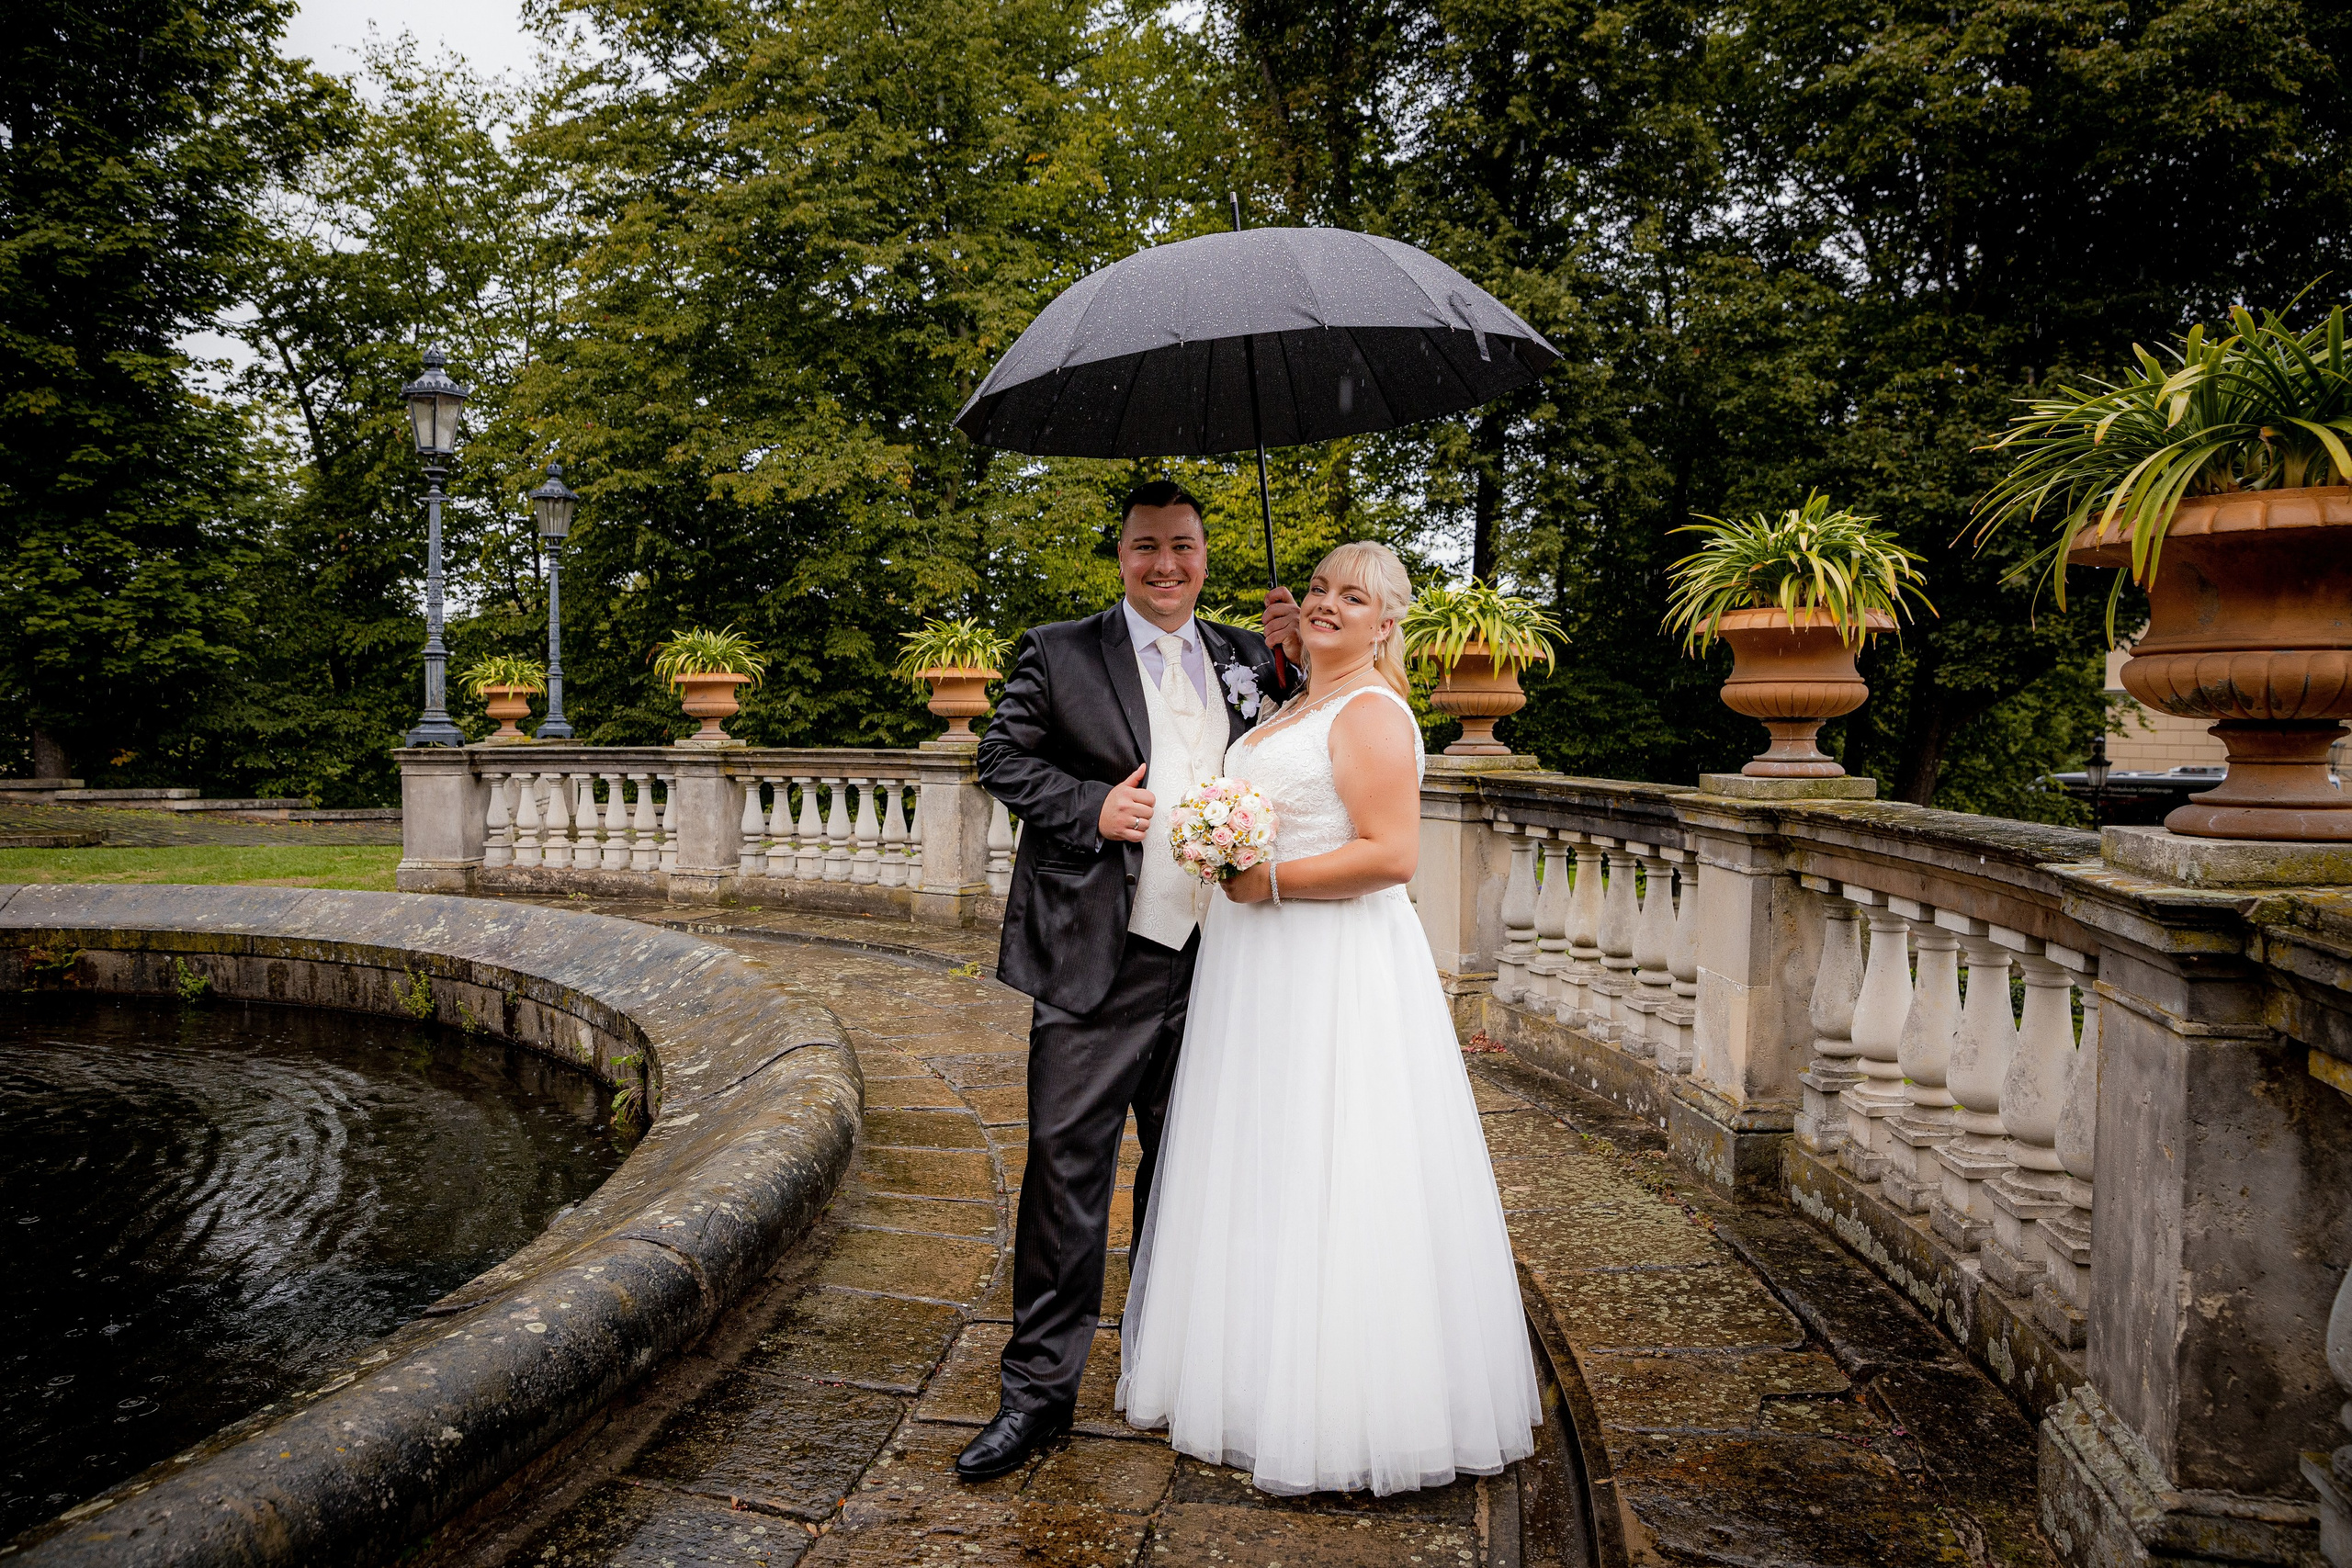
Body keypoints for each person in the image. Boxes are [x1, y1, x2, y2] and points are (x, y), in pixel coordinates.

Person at [1116, 540, 1543, 1495]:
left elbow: (1392, 856)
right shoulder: (1296, 704)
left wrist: (1262, 878)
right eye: (1317, 589)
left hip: (1329, 966)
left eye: (1353, 597)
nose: (1327, 604)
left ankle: (1344, 1407)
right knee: (1263, 1161)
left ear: (1388, 622)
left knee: (1333, 1160)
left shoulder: (1372, 716)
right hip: (1255, 969)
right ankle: (1249, 1375)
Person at [958, 479, 1303, 1482]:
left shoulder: (1245, 652)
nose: (1166, 565)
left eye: (1183, 547)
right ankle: (1036, 1399)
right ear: (1121, 555)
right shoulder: (1059, 650)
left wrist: (1293, 663)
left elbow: (1309, 744)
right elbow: (998, 756)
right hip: (1095, 958)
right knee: (1067, 1176)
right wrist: (1087, 808)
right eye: (1147, 547)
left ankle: (1164, 1369)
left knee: (1189, 1176)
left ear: (1206, 553)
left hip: (1220, 962)